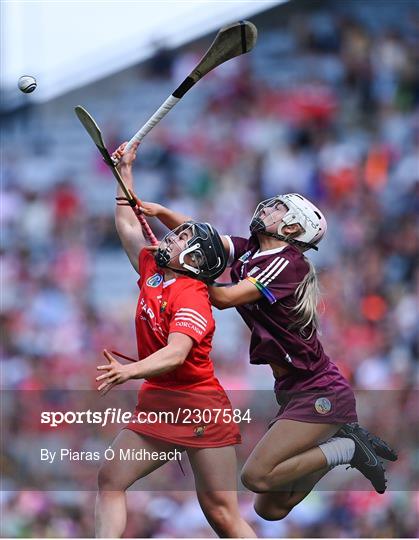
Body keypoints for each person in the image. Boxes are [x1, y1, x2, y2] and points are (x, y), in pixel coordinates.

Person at [139, 192, 397, 521]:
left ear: (292, 228)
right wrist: (159, 211)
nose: (268, 208)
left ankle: (346, 448)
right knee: (270, 508)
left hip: (319, 390)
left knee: (254, 477)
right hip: (291, 390)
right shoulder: (252, 250)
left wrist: (183, 269)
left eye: (279, 209)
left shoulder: (287, 261)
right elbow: (205, 238)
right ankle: (341, 443)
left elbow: (223, 297)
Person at [95, 141, 256, 538]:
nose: (170, 235)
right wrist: (125, 174)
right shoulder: (153, 267)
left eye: (181, 236)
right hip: (160, 402)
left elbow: (176, 353)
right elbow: (130, 226)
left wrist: (128, 371)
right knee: (110, 478)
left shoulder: (192, 296)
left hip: (200, 405)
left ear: (196, 260)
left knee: (221, 515)